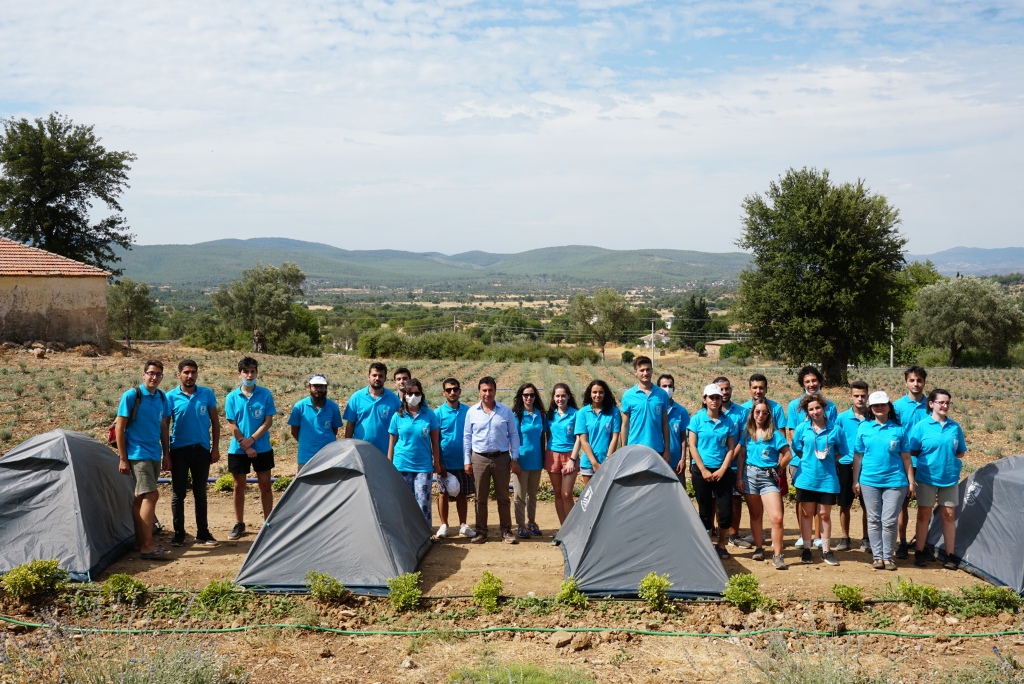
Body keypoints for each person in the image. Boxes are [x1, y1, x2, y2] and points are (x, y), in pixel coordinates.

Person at [115, 359, 172, 559]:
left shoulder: (162, 398)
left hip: (154, 453)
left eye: (158, 374)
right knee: (151, 495)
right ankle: (148, 547)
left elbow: (163, 427)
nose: (154, 377)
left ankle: (139, 541)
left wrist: (166, 453)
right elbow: (120, 428)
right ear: (143, 374)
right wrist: (123, 458)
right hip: (138, 454)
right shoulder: (132, 396)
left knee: (140, 497)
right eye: (151, 373)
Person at [854, 391, 914, 571]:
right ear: (871, 408)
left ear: (889, 406)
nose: (879, 408)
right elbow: (858, 456)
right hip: (869, 480)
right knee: (873, 519)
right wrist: (855, 480)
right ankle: (877, 556)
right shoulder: (863, 428)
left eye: (883, 404)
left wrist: (911, 481)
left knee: (888, 520)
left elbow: (906, 458)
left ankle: (888, 557)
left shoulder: (899, 429)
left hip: (895, 481)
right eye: (875, 406)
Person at [908, 388, 967, 569]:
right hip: (926, 477)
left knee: (949, 515)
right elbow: (913, 450)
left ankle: (950, 555)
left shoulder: (954, 427)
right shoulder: (921, 427)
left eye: (947, 402)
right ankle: (920, 551)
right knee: (924, 513)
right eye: (941, 402)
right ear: (931, 404)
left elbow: (961, 452)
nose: (944, 405)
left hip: (949, 477)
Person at [166, 359, 221, 548]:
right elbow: (164, 425)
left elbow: (215, 421)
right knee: (178, 493)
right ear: (179, 374)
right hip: (179, 450)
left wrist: (214, 448)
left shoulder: (206, 394)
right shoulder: (170, 397)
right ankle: (179, 535)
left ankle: (203, 533)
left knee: (200, 493)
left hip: (201, 450)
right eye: (186, 372)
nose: (190, 376)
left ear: (197, 374)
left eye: (193, 372)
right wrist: (166, 454)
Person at [791, 393, 847, 566]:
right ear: (807, 412)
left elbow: (842, 451)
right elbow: (797, 449)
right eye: (811, 409)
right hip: (806, 478)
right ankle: (807, 549)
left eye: (817, 408)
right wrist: (810, 459)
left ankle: (826, 551)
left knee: (824, 515)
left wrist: (828, 461)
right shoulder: (802, 429)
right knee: (807, 514)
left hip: (827, 478)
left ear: (824, 409)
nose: (815, 412)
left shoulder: (836, 429)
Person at [463, 376, 521, 544]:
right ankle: (481, 531)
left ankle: (506, 531)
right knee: (480, 497)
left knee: (503, 496)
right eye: (484, 390)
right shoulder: (472, 412)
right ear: (479, 392)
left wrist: (514, 457)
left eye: (490, 390)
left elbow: (514, 435)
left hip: (501, 458)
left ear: (495, 391)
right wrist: (467, 460)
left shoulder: (505, 412)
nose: (487, 394)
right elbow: (467, 437)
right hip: (479, 458)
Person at [734, 398, 791, 569]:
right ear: (752, 413)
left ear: (768, 415)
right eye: (757, 412)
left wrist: (778, 468)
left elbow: (788, 454)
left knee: (777, 518)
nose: (760, 415)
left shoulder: (774, 434)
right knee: (755, 515)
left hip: (768, 478)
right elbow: (742, 457)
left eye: (764, 412)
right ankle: (759, 548)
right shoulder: (747, 434)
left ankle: (778, 555)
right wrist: (738, 478)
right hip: (749, 476)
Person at [224, 357, 276, 541]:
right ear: (239, 374)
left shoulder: (265, 394)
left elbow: (268, 421)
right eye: (246, 371)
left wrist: (252, 440)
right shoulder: (231, 397)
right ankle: (239, 523)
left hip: (261, 447)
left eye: (252, 371)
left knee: (265, 485)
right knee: (239, 486)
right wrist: (244, 445)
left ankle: (268, 522)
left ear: (256, 373)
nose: (249, 375)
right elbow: (231, 423)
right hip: (238, 450)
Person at [786, 365, 838, 549]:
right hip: (799, 459)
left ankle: (818, 537)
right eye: (807, 381)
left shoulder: (830, 406)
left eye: (814, 380)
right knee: (803, 499)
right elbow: (791, 432)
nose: (811, 384)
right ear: (802, 384)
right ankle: (803, 535)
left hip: (824, 462)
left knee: (820, 502)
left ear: (820, 382)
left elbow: (833, 432)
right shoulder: (794, 405)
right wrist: (803, 453)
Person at [688, 384, 737, 560]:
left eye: (717, 397)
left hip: (722, 471)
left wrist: (724, 469)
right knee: (705, 511)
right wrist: (703, 469)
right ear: (704, 399)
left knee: (725, 512)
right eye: (711, 397)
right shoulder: (696, 419)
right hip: (702, 471)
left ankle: (722, 544)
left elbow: (731, 447)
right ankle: (707, 544)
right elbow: (692, 445)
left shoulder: (728, 421)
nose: (714, 400)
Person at [387, 378, 443, 527]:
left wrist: (436, 462)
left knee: (423, 501)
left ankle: (423, 534)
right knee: (404, 502)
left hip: (423, 466)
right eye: (410, 393)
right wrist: (389, 462)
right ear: (404, 395)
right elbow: (392, 441)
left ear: (421, 395)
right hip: (401, 465)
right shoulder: (397, 416)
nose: (413, 396)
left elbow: (435, 442)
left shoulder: (429, 415)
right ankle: (406, 535)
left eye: (417, 393)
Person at [893, 365, 928, 560]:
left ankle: (924, 543)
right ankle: (903, 542)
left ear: (924, 382)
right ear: (906, 382)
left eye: (919, 380)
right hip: (904, 462)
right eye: (912, 380)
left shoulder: (931, 405)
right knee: (902, 504)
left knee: (925, 504)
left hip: (926, 462)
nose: (916, 384)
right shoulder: (897, 407)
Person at [435, 378, 476, 538]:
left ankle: (463, 525)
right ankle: (444, 525)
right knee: (443, 494)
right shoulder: (437, 414)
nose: (452, 392)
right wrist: (438, 461)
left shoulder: (468, 411)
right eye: (449, 390)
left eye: (455, 389)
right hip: (445, 461)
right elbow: (435, 440)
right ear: (444, 392)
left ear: (459, 391)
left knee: (462, 494)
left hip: (464, 461)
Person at [715, 375, 751, 550]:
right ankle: (719, 532)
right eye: (720, 389)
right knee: (717, 500)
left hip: (736, 463)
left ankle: (734, 535)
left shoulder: (742, 412)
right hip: (715, 463)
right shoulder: (710, 411)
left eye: (727, 388)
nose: (724, 392)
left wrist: (730, 458)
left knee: (736, 500)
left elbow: (743, 438)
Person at [835, 380, 871, 552]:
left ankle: (866, 538)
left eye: (863, 396)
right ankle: (845, 537)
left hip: (867, 466)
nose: (860, 399)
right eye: (856, 396)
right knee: (845, 504)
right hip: (845, 464)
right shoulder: (841, 418)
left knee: (868, 505)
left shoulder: (873, 417)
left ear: (867, 396)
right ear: (850, 396)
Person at [619, 355, 671, 463]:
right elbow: (624, 424)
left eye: (648, 369)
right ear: (635, 372)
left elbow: (665, 423)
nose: (645, 373)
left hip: (657, 448)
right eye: (641, 370)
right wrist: (623, 449)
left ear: (652, 370)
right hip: (634, 448)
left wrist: (666, 449)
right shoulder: (628, 396)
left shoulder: (661, 394)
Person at [343, 362, 402, 456]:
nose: (377, 378)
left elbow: (399, 427)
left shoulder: (394, 400)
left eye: (380, 376)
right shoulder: (357, 397)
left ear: (385, 378)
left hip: (385, 453)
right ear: (368, 377)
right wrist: (347, 449)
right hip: (360, 452)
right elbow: (350, 425)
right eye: (374, 375)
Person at [288, 374, 343, 471]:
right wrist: (307, 443)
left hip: (328, 456)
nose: (318, 389)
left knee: (328, 484)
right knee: (305, 485)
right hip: (306, 457)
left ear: (326, 388)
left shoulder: (333, 407)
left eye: (321, 386)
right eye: (315, 386)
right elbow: (294, 431)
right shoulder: (299, 407)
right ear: (310, 387)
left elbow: (334, 430)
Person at [512, 383, 546, 539]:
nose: (529, 398)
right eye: (525, 395)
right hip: (521, 460)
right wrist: (514, 460)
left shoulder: (541, 414)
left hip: (536, 460)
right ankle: (521, 525)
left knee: (532, 494)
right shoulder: (516, 415)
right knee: (519, 494)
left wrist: (544, 458)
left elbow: (543, 436)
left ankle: (532, 521)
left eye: (532, 395)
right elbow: (511, 439)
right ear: (521, 396)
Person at [575, 379, 621, 488]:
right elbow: (583, 440)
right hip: (588, 462)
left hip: (607, 462)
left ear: (605, 394)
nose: (598, 395)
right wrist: (594, 463)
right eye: (594, 392)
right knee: (590, 497)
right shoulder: (582, 413)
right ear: (590, 394)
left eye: (601, 392)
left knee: (605, 497)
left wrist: (608, 460)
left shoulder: (614, 411)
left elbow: (615, 437)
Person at [546, 383, 580, 524]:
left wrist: (573, 459)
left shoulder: (576, 414)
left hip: (570, 455)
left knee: (567, 494)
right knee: (558, 494)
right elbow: (547, 434)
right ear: (554, 398)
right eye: (557, 396)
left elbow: (579, 437)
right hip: (552, 455)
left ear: (568, 397)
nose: (560, 399)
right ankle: (563, 528)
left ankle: (572, 528)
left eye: (563, 395)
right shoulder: (549, 415)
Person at [657, 374, 690, 483]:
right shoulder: (654, 410)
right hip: (656, 461)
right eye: (664, 386)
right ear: (658, 388)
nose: (667, 389)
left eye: (670, 386)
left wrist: (683, 459)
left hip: (675, 462)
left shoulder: (681, 411)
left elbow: (683, 437)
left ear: (674, 389)